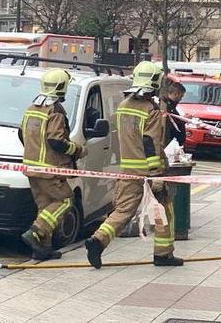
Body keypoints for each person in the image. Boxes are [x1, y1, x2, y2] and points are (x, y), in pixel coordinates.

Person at [85, 61, 183, 269]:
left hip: (128, 169)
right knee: (163, 210)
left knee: (123, 210)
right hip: (149, 170)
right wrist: (156, 174)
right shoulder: (151, 109)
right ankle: (163, 254)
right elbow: (150, 142)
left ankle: (98, 240)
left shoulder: (123, 106)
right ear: (155, 82)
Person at [18, 69, 83, 260]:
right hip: (50, 170)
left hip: (32, 168)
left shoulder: (32, 107)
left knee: (45, 207)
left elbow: (21, 133)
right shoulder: (55, 111)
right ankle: (36, 231)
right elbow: (57, 141)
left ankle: (41, 249)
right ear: (62, 87)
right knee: (65, 201)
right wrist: (77, 150)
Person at [164, 82, 187, 146]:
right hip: (170, 143)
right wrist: (183, 121)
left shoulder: (171, 106)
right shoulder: (167, 107)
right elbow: (172, 125)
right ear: (176, 94)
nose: (181, 99)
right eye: (181, 96)